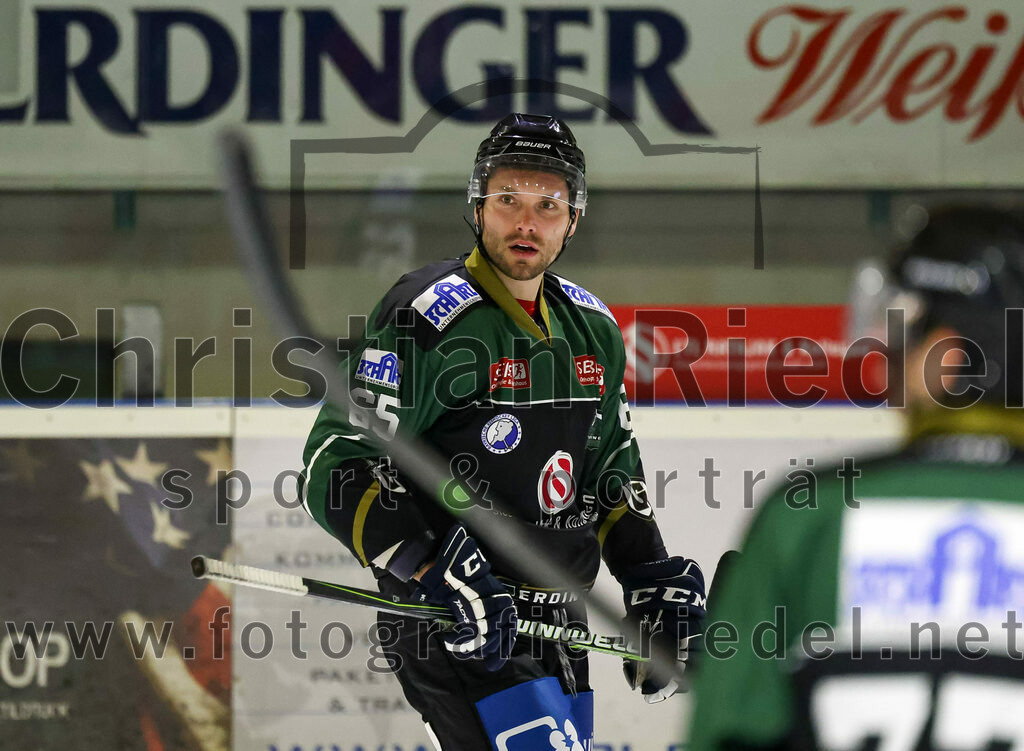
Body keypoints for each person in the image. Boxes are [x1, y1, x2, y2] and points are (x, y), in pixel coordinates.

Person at [299, 113, 706, 749]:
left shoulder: (592, 329)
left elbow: (609, 473)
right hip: (461, 618)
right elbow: (336, 461)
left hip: (557, 625)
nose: (525, 223)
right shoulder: (429, 317)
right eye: (508, 200)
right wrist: (426, 562)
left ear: (572, 219)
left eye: (548, 205)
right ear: (478, 206)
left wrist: (647, 573)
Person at [687, 205, 1024, 751]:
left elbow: (729, 733)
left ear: (947, 357)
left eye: (905, 328)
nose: (888, 351)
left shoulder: (809, 515)